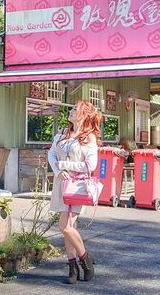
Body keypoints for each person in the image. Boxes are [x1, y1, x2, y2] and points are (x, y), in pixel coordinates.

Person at [48, 100, 102, 284]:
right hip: (61, 183)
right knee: (68, 230)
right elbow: (51, 155)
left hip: (77, 186)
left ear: (83, 114)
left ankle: (85, 259)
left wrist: (65, 165)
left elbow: (91, 165)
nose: (70, 111)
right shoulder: (63, 134)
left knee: (65, 226)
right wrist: (57, 170)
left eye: (74, 109)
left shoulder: (88, 138)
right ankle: (73, 268)